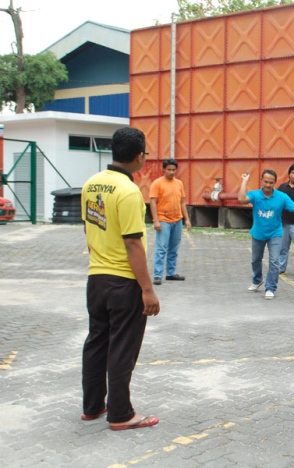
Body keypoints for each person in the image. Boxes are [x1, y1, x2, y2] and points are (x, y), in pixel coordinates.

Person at [81, 126, 160, 431]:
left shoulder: (91, 184)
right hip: (123, 282)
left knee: (97, 342)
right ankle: (121, 413)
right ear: (140, 156)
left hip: (96, 278)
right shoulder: (129, 192)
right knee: (122, 348)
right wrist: (147, 290)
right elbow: (132, 243)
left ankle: (92, 406)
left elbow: (89, 230)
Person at [238, 169, 294, 300]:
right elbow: (241, 199)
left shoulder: (281, 197)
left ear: (275, 183)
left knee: (274, 261)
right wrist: (244, 181)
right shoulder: (255, 195)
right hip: (258, 233)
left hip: (276, 233)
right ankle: (257, 280)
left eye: (271, 182)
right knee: (255, 260)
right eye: (265, 182)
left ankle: (270, 287)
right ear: (261, 181)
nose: (268, 185)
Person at [149, 158, 192, 285]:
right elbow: (152, 202)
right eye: (169, 170)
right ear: (163, 169)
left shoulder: (179, 183)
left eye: (173, 170)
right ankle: (157, 275)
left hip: (177, 220)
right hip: (163, 220)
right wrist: (156, 221)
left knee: (174, 248)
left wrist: (187, 219)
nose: (171, 172)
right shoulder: (157, 183)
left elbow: (182, 202)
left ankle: (171, 273)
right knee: (161, 248)